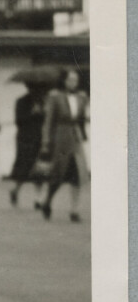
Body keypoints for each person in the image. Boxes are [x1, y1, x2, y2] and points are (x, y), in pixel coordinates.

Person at [39, 68, 89, 222]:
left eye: (75, 80)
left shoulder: (81, 98)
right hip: (60, 138)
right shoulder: (55, 97)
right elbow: (48, 121)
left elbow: (82, 118)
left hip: (76, 138)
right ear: (64, 81)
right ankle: (48, 200)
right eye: (70, 80)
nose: (73, 83)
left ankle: (74, 210)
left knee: (78, 174)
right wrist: (46, 142)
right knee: (58, 174)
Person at [9, 85, 47, 209]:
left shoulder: (43, 102)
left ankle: (38, 199)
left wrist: (42, 112)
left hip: (39, 138)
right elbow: (18, 121)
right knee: (24, 167)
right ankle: (15, 190)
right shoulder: (21, 101)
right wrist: (32, 113)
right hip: (24, 139)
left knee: (39, 169)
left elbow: (47, 120)